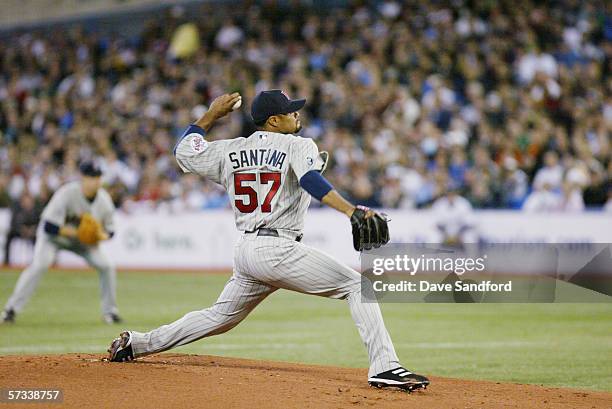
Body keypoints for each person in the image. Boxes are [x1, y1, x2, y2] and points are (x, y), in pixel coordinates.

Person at [107, 91, 430, 392]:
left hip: (248, 249)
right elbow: (309, 180)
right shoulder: (298, 145)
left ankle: (138, 343)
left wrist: (211, 114)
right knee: (359, 287)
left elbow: (184, 151)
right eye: (290, 111)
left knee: (220, 317)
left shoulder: (230, 149)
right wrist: (350, 211)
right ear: (274, 121)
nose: (296, 114)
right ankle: (384, 366)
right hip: (277, 248)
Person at [1, 162, 121, 324]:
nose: (96, 180)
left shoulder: (104, 200)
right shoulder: (67, 193)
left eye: (99, 177)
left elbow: (111, 231)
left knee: (106, 266)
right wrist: (79, 233)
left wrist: (99, 235)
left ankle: (110, 312)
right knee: (39, 265)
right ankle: (11, 310)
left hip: (83, 243)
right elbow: (49, 226)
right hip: (53, 239)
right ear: (83, 178)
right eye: (92, 177)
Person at [3, 192, 40, 266]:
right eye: (25, 201)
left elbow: (39, 224)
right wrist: (21, 230)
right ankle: (6, 260)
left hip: (32, 233)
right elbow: (13, 224)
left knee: (38, 239)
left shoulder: (36, 211)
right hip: (19, 232)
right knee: (9, 236)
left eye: (29, 201)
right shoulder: (17, 210)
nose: (27, 203)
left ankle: (37, 260)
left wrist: (32, 230)